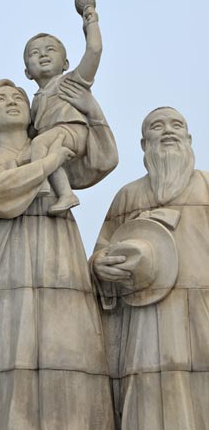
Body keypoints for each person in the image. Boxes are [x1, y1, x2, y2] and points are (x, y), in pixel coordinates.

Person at [0, 78, 118, 430]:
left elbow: (103, 159)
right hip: (8, 254)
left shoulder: (55, 141)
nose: (12, 101)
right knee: (9, 345)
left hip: (58, 246)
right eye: (0, 99)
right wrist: (47, 165)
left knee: (67, 341)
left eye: (18, 95)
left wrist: (92, 111)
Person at [91, 107, 209, 430]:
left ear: (189, 138)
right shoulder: (128, 197)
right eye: (157, 126)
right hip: (144, 323)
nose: (168, 131)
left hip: (203, 317)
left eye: (176, 125)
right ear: (144, 144)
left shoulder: (206, 187)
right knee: (145, 395)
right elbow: (100, 253)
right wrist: (99, 266)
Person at [24, 0, 102, 214]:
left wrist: (90, 18)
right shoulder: (36, 100)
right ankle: (65, 194)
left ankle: (40, 182)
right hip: (54, 139)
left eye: (50, 50)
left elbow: (94, 50)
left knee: (39, 145)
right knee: (47, 151)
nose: (43, 55)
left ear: (66, 63)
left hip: (73, 132)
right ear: (28, 72)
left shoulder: (72, 81)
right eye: (34, 54)